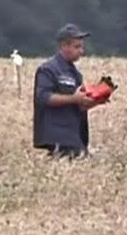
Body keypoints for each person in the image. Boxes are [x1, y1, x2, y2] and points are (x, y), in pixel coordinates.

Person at [32, 23, 104, 159]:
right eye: (77, 47)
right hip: (57, 133)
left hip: (74, 134)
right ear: (64, 46)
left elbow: (79, 106)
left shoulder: (76, 74)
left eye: (81, 47)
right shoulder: (48, 69)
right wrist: (74, 98)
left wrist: (94, 100)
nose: (81, 51)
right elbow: (43, 97)